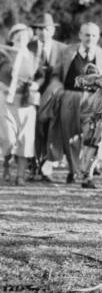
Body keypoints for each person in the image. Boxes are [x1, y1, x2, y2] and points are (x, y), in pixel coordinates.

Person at [50, 22, 102, 188]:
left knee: (93, 137)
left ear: (98, 37)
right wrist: (58, 90)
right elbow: (55, 75)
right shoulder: (67, 52)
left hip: (94, 100)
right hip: (70, 97)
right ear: (80, 35)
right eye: (87, 35)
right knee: (70, 137)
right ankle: (74, 170)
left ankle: (87, 175)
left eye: (94, 35)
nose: (90, 38)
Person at [0, 24, 40, 185]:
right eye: (17, 34)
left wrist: (36, 84)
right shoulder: (3, 54)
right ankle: (7, 164)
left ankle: (21, 175)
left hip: (26, 102)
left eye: (24, 35)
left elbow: (42, 76)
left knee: (25, 138)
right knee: (9, 139)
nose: (21, 37)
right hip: (6, 100)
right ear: (12, 37)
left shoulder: (33, 56)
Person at [30, 13, 66, 182]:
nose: (43, 32)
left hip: (54, 95)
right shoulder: (28, 47)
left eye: (46, 29)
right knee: (34, 129)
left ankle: (47, 166)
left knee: (52, 129)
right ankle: (34, 165)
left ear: (52, 30)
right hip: (30, 94)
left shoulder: (63, 49)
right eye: (39, 29)